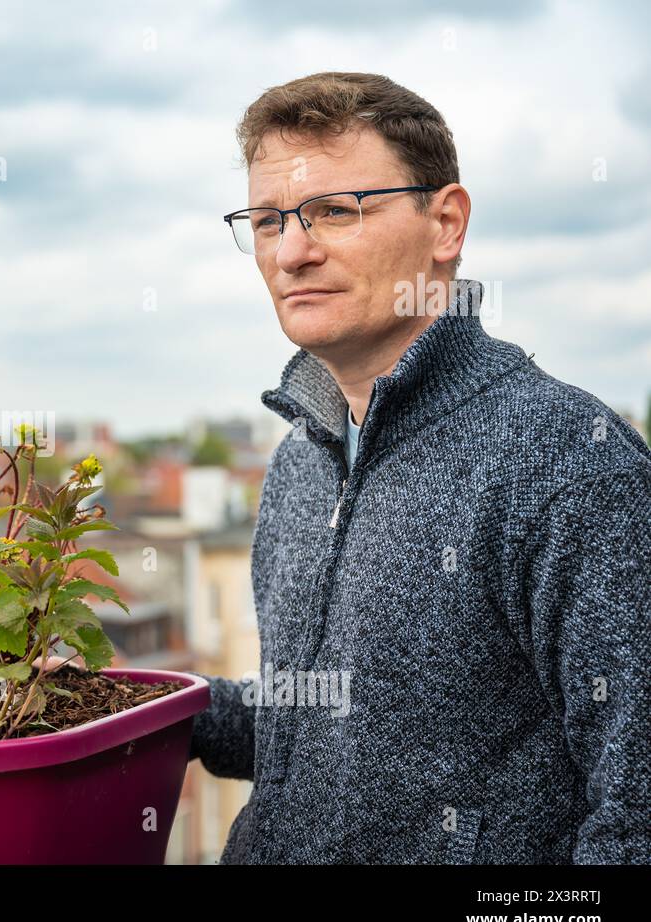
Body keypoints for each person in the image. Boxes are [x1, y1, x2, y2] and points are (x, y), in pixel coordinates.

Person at [189, 71, 651, 863]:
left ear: (445, 223)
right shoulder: (300, 460)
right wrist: (125, 700)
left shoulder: (573, 463)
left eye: (334, 211)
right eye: (268, 221)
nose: (293, 251)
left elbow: (635, 814)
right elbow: (310, 724)